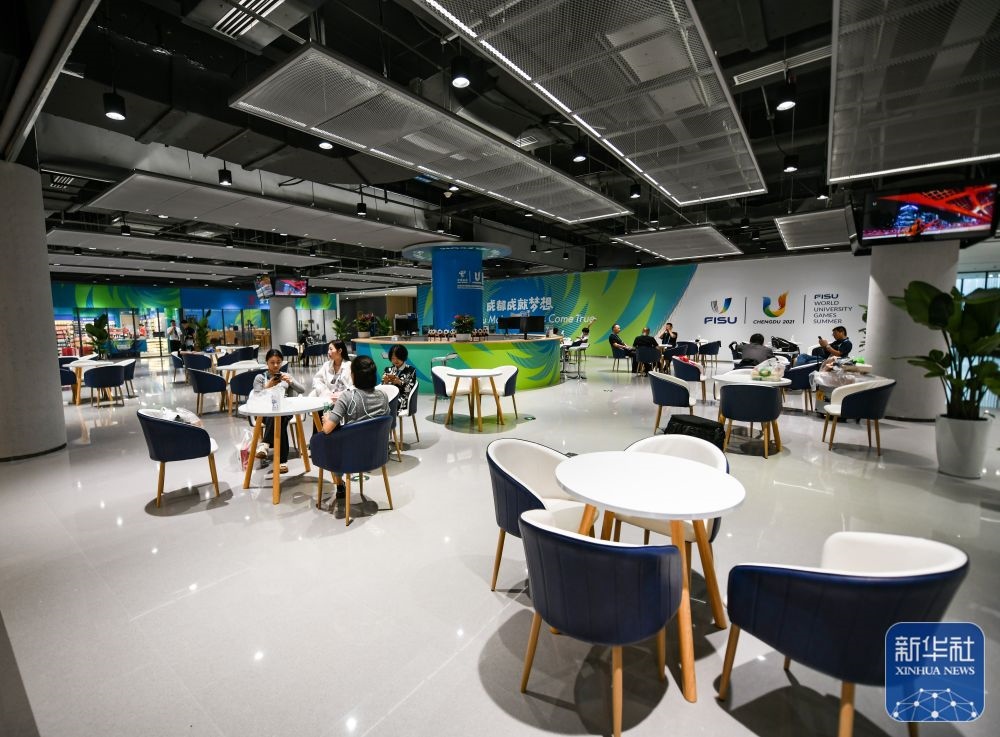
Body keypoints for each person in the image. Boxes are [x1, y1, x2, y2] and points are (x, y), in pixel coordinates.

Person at [321, 355, 390, 503]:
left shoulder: (347, 397)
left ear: (354, 375)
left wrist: (326, 419)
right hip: (378, 453)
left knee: (328, 440)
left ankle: (339, 484)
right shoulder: (383, 396)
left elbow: (326, 429)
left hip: (351, 456)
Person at [253, 348, 305, 474]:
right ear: (267, 362)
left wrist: (290, 381)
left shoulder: (286, 376)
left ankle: (265, 444)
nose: (276, 365)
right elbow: (256, 397)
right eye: (272, 362)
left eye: (278, 362)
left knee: (279, 416)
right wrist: (268, 386)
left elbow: (302, 390)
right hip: (264, 412)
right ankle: (282, 462)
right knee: (278, 419)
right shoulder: (260, 377)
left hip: (285, 410)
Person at [382, 344, 417, 411]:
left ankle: (388, 417)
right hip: (389, 396)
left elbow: (410, 390)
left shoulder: (411, 370)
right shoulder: (388, 370)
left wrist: (400, 382)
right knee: (377, 403)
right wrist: (385, 382)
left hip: (403, 398)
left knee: (389, 405)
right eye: (393, 358)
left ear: (403, 357)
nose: (395, 361)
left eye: (398, 358)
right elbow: (383, 389)